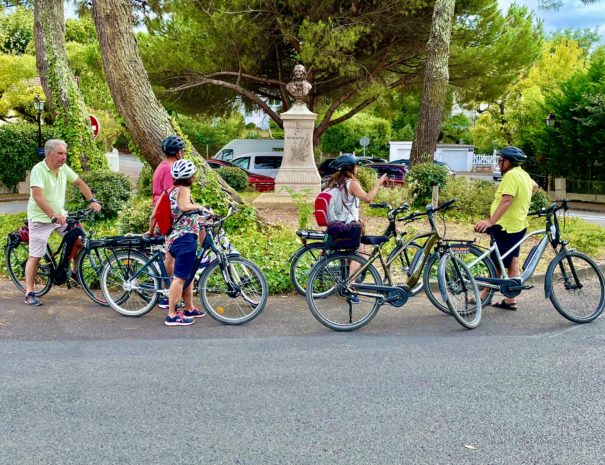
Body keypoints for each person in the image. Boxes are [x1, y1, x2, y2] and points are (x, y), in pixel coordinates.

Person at [24, 139, 102, 306]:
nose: (64, 157)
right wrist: (52, 214)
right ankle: (29, 292)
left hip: (60, 217)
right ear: (49, 154)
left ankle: (74, 272)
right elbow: (38, 196)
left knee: (79, 241)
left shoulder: (63, 169)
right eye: (60, 153)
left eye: (65, 153)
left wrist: (92, 200)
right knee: (35, 256)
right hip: (41, 218)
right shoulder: (39, 170)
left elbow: (80, 183)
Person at [474, 146, 538, 310]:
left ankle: (484, 296)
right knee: (512, 261)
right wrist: (522, 203)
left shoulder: (510, 176)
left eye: (500, 161)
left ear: (507, 162)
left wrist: (490, 221)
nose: (498, 164)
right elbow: (535, 187)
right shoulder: (523, 174)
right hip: (518, 224)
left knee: (496, 262)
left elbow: (506, 201)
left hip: (505, 226)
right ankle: (511, 299)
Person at [326, 154, 387, 302]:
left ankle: (348, 280)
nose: (358, 168)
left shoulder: (335, 181)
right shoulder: (351, 183)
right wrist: (378, 184)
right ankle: (350, 287)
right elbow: (368, 198)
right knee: (361, 254)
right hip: (349, 225)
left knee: (350, 253)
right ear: (351, 167)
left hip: (337, 224)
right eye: (356, 165)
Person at [164, 159, 213, 326]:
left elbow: (182, 214)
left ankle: (189, 307)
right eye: (193, 174)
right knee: (179, 278)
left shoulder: (173, 190)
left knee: (188, 276)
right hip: (184, 240)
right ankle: (171, 315)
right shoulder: (184, 190)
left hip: (175, 238)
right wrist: (199, 207)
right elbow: (184, 207)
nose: (195, 176)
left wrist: (202, 215)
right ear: (189, 176)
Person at [147, 135, 186, 309]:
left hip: (161, 211)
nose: (183, 153)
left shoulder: (163, 165)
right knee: (172, 254)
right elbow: (172, 195)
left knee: (170, 253)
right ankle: (166, 293)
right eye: (182, 150)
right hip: (166, 214)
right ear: (177, 153)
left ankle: (167, 291)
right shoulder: (171, 169)